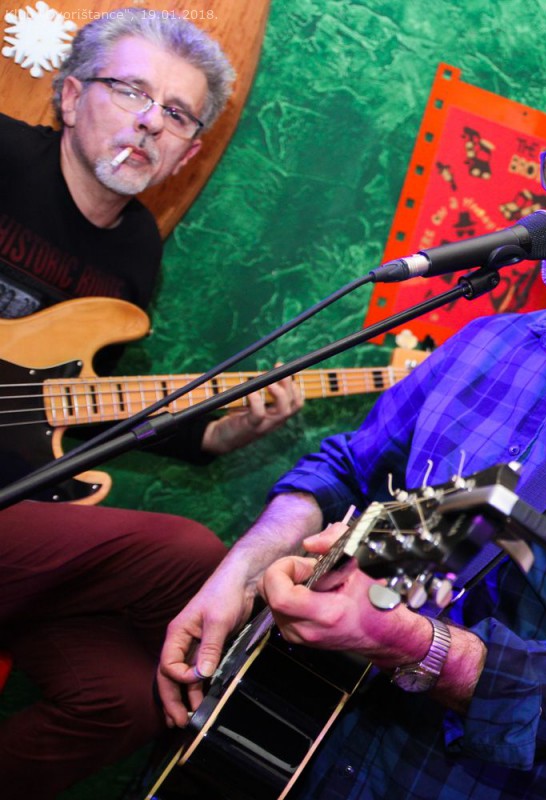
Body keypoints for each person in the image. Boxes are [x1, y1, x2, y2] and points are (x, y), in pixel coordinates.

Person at [159, 47, 546, 799]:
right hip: (306, 746)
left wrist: (414, 644)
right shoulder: (490, 342)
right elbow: (345, 467)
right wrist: (238, 574)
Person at [0, 11, 302, 798]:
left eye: (176, 113)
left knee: (123, 701)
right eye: (130, 91)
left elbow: (85, 405)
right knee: (190, 554)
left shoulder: (134, 253)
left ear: (188, 151)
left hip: (20, 504)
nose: (149, 122)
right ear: (71, 97)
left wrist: (223, 434)